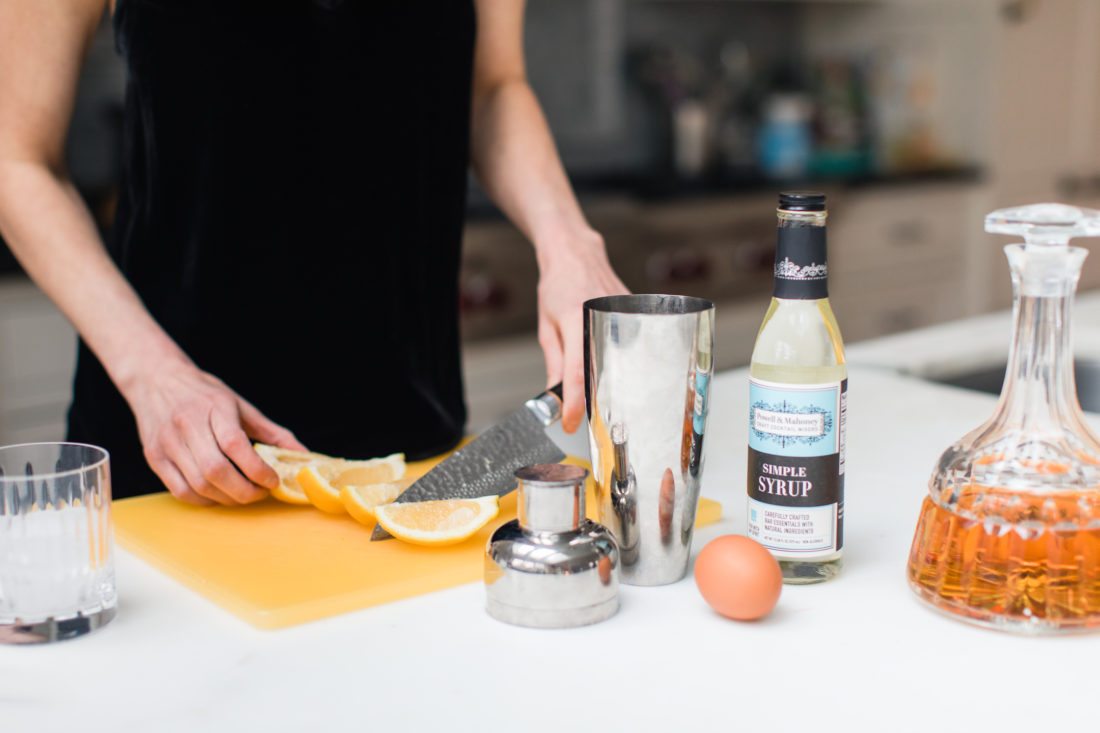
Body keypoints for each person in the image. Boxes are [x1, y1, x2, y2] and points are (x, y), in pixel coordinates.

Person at [0, 0, 627, 505]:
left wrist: (569, 241)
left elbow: (492, 88)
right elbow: (15, 160)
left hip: (411, 448)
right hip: (179, 455)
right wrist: (153, 375)